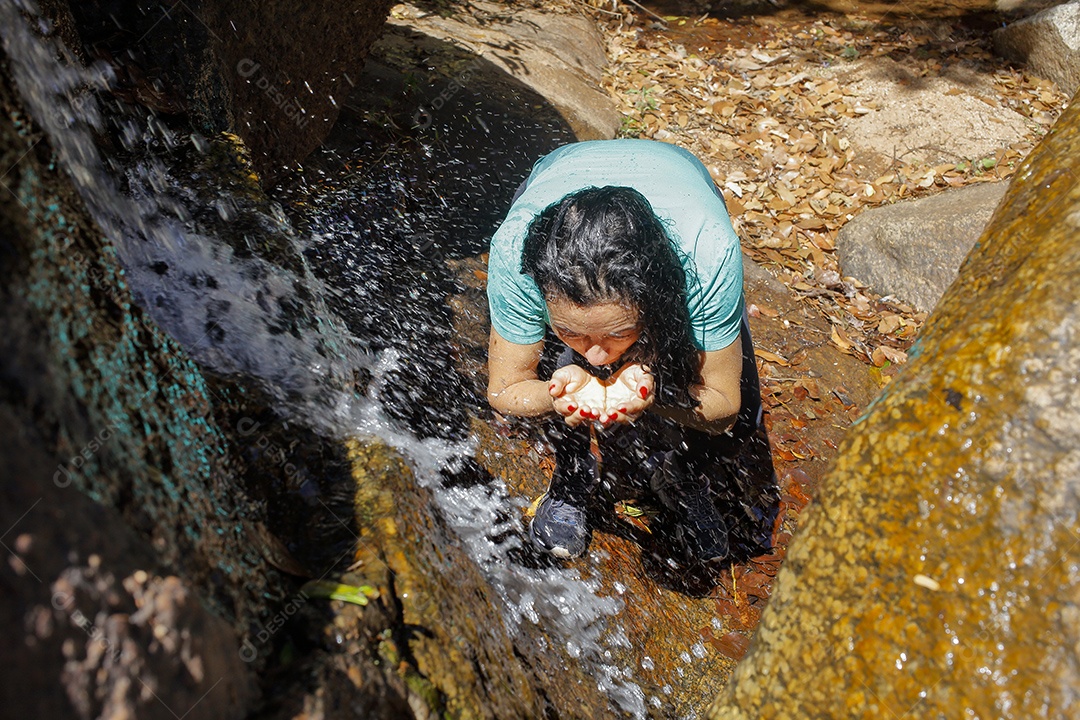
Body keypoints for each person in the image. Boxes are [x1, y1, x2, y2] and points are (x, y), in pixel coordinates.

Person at [485, 139, 777, 566]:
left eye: (619, 332)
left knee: (738, 405)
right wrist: (561, 395)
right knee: (555, 364)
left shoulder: (706, 255)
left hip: (680, 179)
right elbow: (505, 389)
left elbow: (724, 405)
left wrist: (656, 394)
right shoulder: (518, 255)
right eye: (569, 330)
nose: (599, 359)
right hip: (559, 174)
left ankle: (680, 472)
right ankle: (572, 475)